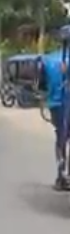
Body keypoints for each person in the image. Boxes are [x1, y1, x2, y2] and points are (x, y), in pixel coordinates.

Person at [38, 51, 69, 189]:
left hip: (57, 105)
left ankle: (61, 174)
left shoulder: (48, 60)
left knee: (61, 139)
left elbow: (42, 86)